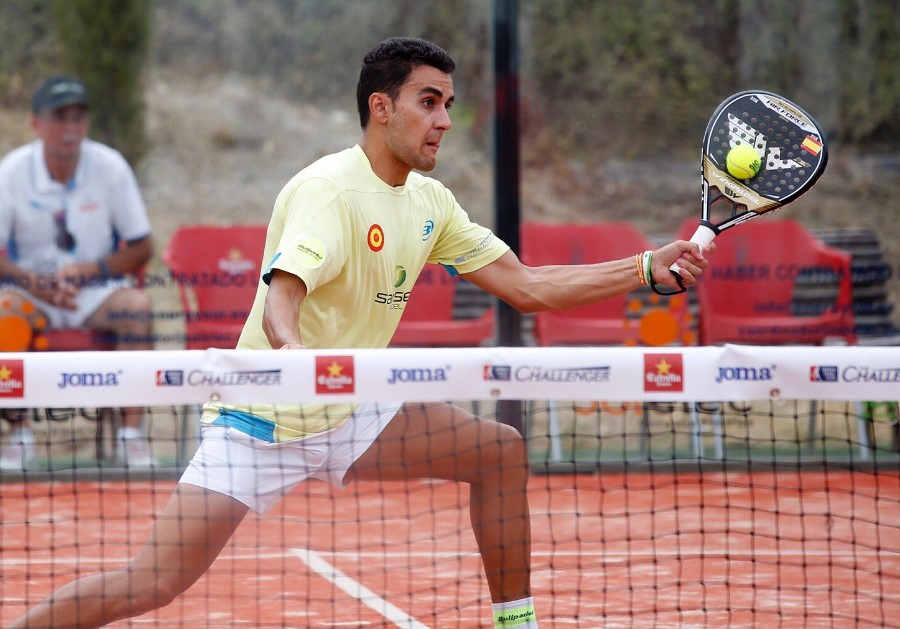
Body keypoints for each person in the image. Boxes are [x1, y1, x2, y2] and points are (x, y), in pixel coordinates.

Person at [9, 38, 711, 628]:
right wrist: (293, 352)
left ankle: (515, 621)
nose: (442, 121)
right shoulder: (330, 189)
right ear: (383, 107)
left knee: (499, 451)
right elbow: (284, 291)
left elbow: (527, 286)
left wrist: (646, 266)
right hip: (262, 419)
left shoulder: (432, 203)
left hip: (351, 412)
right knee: (150, 583)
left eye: (448, 107)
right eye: (427, 102)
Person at [0, 77, 156, 469]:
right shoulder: (12, 172)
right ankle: (18, 437)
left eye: (78, 117)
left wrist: (92, 270)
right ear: (36, 123)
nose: (70, 129)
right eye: (59, 118)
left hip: (96, 291)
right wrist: (34, 282)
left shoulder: (111, 166)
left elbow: (143, 246)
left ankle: (130, 437)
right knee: (4, 315)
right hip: (31, 291)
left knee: (136, 307)